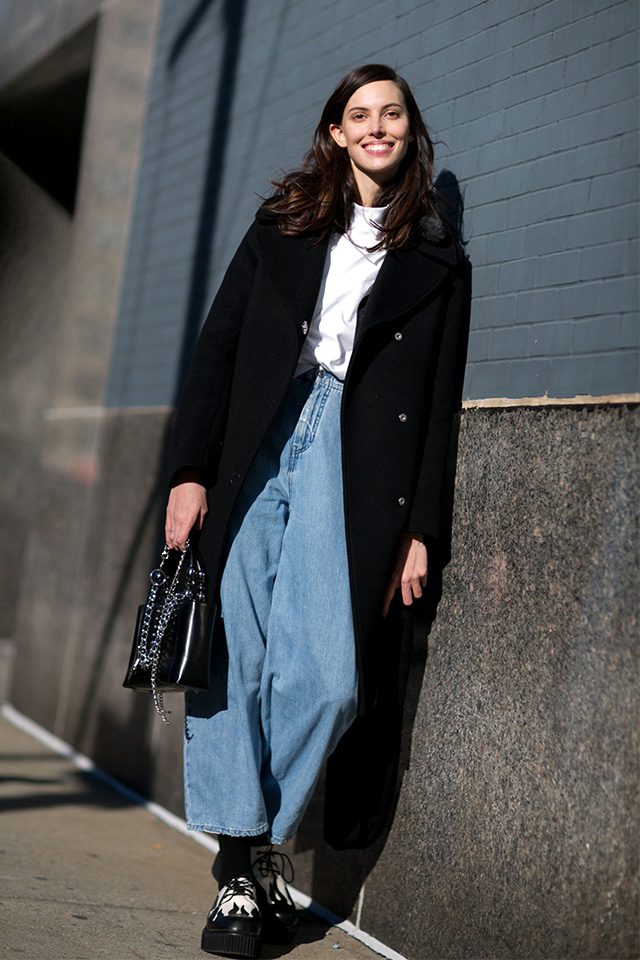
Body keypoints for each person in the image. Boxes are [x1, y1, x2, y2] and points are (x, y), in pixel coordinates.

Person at [164, 63, 469, 959]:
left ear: (410, 130)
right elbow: (219, 344)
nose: (376, 127)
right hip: (257, 434)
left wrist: (421, 528)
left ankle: (257, 845)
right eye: (359, 114)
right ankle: (243, 870)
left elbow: (441, 401)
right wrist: (189, 469)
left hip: (354, 454)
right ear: (336, 131)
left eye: (392, 113)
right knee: (234, 648)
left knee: (329, 677)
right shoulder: (286, 222)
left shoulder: (438, 257)